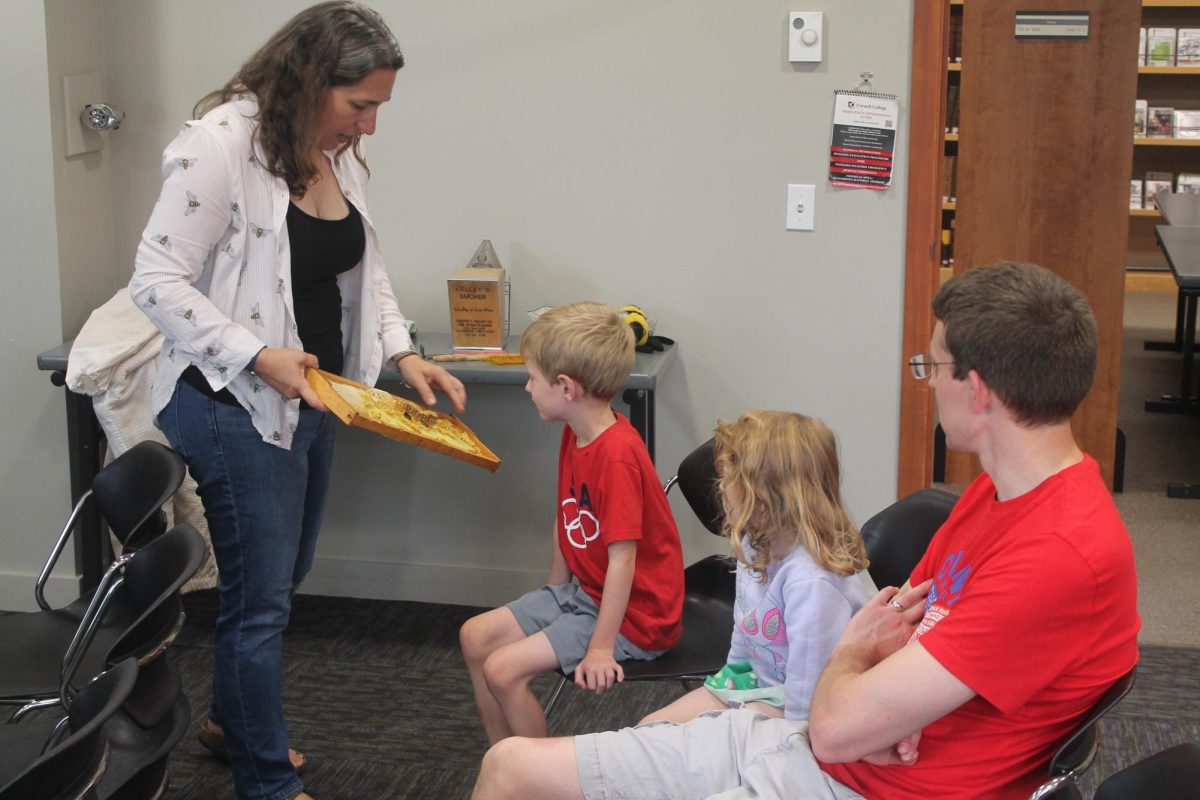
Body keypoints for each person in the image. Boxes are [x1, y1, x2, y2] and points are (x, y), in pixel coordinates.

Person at [469, 262, 1140, 800]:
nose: (927, 383)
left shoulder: (1059, 552)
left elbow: (844, 706)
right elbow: (896, 626)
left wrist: (852, 674)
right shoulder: (994, 495)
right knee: (510, 769)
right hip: (830, 750)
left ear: (981, 389)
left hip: (858, 780)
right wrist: (875, 696)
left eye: (932, 368)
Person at [130, 4, 465, 799]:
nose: (371, 125)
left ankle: (229, 723)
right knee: (262, 606)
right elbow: (155, 281)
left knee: (280, 580)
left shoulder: (329, 149)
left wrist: (403, 351)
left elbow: (364, 270)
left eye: (379, 106)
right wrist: (258, 355)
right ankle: (266, 781)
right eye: (360, 105)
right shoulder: (219, 145)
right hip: (232, 403)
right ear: (310, 82)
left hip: (313, 401)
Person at [459, 301, 685, 745]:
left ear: (565, 387)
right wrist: (553, 593)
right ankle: (505, 762)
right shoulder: (576, 430)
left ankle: (539, 778)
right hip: (587, 594)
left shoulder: (616, 454)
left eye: (532, 378)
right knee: (475, 637)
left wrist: (600, 648)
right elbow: (569, 515)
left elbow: (623, 560)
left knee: (502, 671)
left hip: (636, 617)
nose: (527, 387)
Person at [640, 409, 873, 726]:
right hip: (760, 685)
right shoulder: (755, 542)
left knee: (698, 746)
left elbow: (809, 704)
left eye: (730, 478)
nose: (720, 487)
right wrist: (729, 681)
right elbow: (745, 630)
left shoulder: (811, 585)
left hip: (805, 703)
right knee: (651, 729)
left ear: (767, 496)